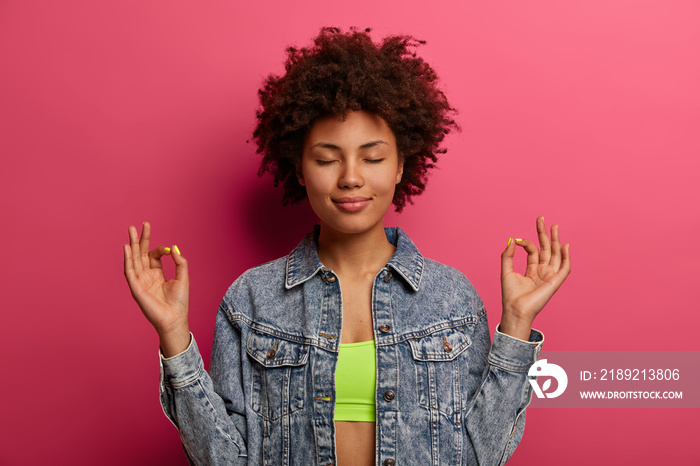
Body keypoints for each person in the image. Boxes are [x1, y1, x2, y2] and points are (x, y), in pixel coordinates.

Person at [123, 27, 571, 465]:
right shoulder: (250, 300)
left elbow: (480, 457)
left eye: (373, 157)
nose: (351, 176)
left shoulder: (452, 298)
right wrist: (174, 336)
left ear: (400, 166)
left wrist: (516, 324)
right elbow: (223, 458)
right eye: (326, 158)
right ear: (299, 169)